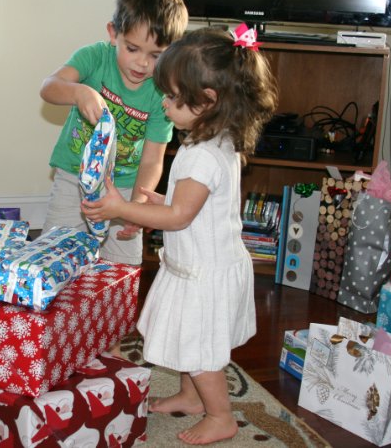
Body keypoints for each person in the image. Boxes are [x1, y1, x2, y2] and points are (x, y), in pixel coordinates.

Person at [82, 25, 278, 445]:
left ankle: (220, 414)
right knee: (192, 340)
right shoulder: (219, 140)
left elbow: (179, 217)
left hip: (202, 275)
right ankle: (192, 396)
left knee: (200, 349)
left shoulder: (200, 156)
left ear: (207, 101)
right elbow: (187, 206)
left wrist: (121, 208)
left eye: (172, 97)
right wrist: (153, 201)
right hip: (205, 263)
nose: (165, 104)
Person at [40, 0, 188, 266]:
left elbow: (152, 161)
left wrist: (136, 207)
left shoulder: (163, 92)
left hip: (124, 188)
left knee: (122, 269)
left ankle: (112, 311)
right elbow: (48, 87)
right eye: (132, 48)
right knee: (55, 256)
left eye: (156, 55)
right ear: (113, 33)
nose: (142, 64)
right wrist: (78, 91)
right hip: (73, 177)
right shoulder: (95, 57)